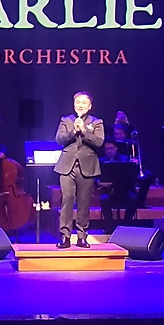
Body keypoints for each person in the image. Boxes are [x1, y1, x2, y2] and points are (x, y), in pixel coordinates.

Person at [53, 91, 104, 248]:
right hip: (67, 166)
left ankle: (82, 236)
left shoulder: (97, 122)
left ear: (90, 106)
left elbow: (99, 142)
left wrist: (84, 131)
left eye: (84, 102)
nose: (80, 105)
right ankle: (65, 236)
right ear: (74, 105)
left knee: (84, 202)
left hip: (87, 167)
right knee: (67, 199)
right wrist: (74, 131)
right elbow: (59, 139)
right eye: (78, 102)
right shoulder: (66, 120)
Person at [97, 139, 139, 230]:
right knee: (104, 199)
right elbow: (96, 178)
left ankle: (126, 224)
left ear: (116, 148)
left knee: (133, 198)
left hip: (125, 189)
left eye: (111, 148)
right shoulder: (100, 161)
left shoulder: (125, 159)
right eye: (106, 149)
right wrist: (101, 183)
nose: (109, 151)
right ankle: (110, 225)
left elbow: (132, 176)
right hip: (109, 190)